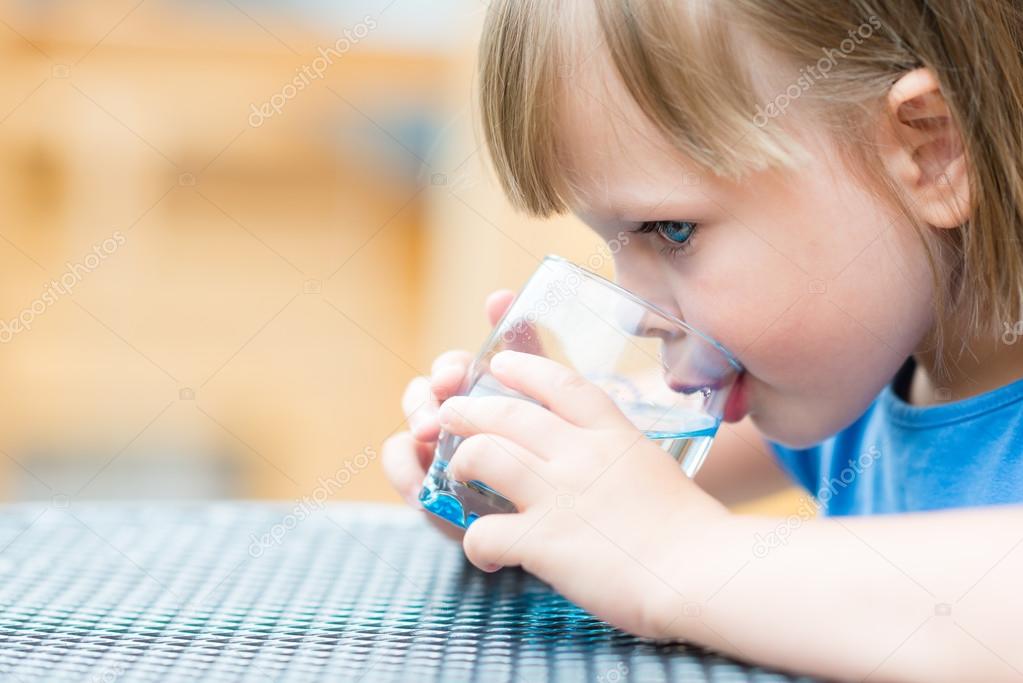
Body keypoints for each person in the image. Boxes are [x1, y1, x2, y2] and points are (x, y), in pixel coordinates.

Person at [384, 2, 1023, 679]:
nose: (635, 313)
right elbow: (627, 468)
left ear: (931, 152)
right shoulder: (849, 376)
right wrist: (521, 472)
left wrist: (681, 556)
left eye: (673, 230)